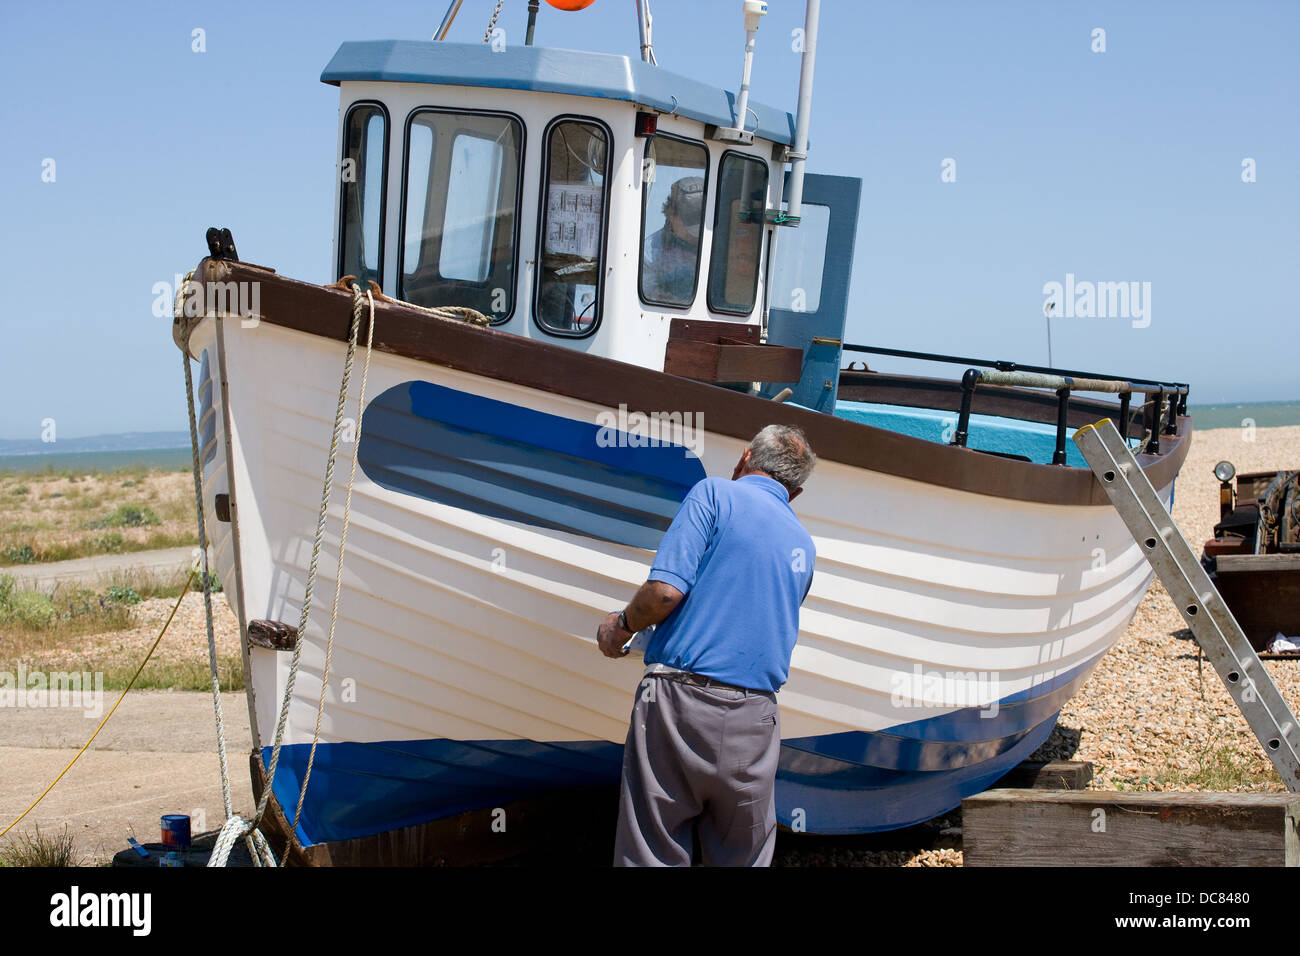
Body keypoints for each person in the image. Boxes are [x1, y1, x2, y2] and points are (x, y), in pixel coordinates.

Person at [596, 424, 817, 866]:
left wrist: (620, 626)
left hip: (681, 702)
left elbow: (664, 593)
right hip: (756, 718)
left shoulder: (715, 494)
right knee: (743, 856)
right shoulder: (803, 544)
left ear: (743, 460)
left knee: (652, 849)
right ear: (794, 493)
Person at [641, 175, 705, 305]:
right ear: (672, 216)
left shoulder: (718, 246)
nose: (696, 235)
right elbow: (648, 293)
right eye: (690, 225)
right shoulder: (650, 251)